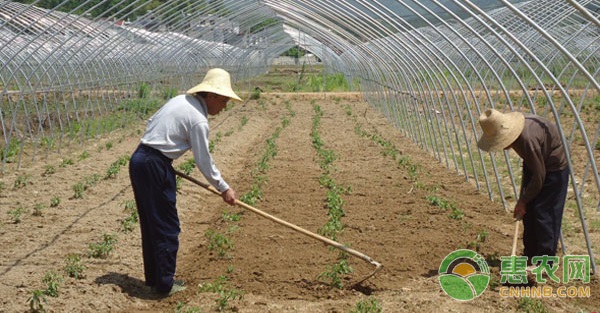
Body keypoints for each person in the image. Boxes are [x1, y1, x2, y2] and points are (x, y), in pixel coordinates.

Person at [129, 68, 242, 296]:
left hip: (141, 159)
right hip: (154, 164)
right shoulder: (198, 120)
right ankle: (164, 285)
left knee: (152, 224)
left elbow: (152, 122)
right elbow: (203, 161)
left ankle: (155, 280)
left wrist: (162, 157)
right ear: (212, 96)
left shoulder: (179, 100)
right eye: (224, 101)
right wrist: (224, 188)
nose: (225, 107)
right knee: (166, 226)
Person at [477, 109, 569, 263]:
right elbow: (533, 169)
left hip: (554, 169)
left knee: (543, 213)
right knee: (529, 214)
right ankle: (530, 256)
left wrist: (523, 201)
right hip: (536, 163)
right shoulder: (518, 133)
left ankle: (545, 262)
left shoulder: (527, 140)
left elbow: (539, 176)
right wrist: (524, 201)